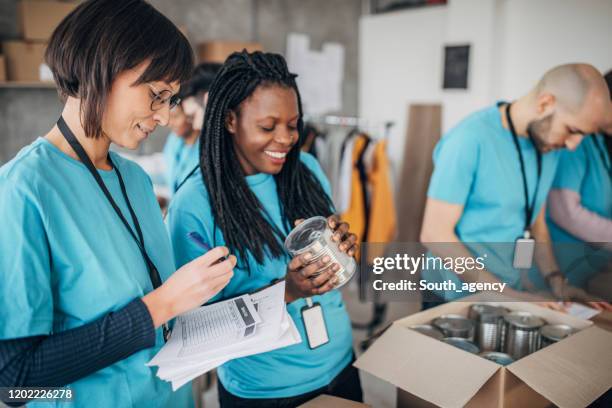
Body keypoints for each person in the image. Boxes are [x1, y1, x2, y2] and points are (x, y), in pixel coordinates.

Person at [0, 1, 235, 407]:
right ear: (101, 67)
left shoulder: (136, 180)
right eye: (157, 95)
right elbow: (14, 379)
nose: (164, 117)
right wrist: (159, 307)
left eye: (172, 100)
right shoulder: (23, 189)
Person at [167, 51, 363, 407]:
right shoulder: (194, 205)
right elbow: (194, 327)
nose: (286, 139)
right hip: (267, 391)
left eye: (293, 124)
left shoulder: (305, 169)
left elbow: (332, 264)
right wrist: (285, 292)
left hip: (341, 363)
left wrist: (344, 249)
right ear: (230, 120)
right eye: (268, 127)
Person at [420, 63, 612, 310]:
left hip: (506, 291)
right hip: (454, 294)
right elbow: (435, 234)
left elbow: (537, 223)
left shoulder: (547, 146)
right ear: (545, 104)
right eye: (572, 131)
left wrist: (557, 282)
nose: (573, 145)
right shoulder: (469, 139)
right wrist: (506, 296)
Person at [547, 69, 612, 298]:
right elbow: (563, 211)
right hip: (559, 267)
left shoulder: (601, 144)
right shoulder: (575, 139)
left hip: (582, 273)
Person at [163, 62, 221, 195]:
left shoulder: (218, 149)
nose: (195, 125)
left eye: (192, 116)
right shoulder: (176, 142)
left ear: (209, 99)